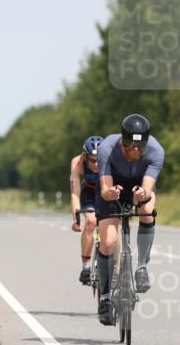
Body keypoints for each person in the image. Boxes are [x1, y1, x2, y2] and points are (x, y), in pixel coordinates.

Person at [94, 114, 164, 325]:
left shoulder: (156, 151)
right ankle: (105, 298)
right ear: (122, 142)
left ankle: (142, 267)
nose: (134, 152)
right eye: (129, 147)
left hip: (138, 186)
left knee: (148, 208)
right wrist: (110, 193)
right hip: (112, 189)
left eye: (139, 148)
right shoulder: (107, 148)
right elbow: (105, 189)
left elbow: (147, 188)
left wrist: (142, 195)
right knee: (107, 241)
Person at [70, 135, 102, 285]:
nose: (96, 164)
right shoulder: (77, 163)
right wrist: (76, 218)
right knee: (91, 222)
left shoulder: (111, 160)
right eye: (92, 160)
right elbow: (75, 193)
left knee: (115, 223)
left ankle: (115, 267)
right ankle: (86, 267)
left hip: (106, 191)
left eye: (99, 160)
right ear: (85, 157)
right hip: (88, 192)